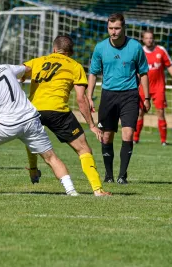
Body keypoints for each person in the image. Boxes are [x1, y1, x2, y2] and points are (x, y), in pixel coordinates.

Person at [0, 46, 79, 196]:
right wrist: (19, 80)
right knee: (51, 157)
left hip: (9, 124)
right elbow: (27, 68)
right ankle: (71, 191)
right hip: (31, 119)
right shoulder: (3, 67)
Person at [22, 35, 111, 196]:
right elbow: (80, 98)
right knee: (83, 149)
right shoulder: (75, 66)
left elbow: (18, 72)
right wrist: (91, 125)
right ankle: (98, 189)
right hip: (58, 111)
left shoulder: (37, 61)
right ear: (71, 52)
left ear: (54, 49)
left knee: (32, 138)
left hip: (32, 111)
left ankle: (33, 170)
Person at [87, 13, 150, 185]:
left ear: (123, 28)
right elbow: (93, 73)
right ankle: (109, 174)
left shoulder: (135, 47)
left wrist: (147, 97)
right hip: (108, 96)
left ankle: (122, 175)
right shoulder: (100, 48)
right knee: (106, 137)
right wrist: (89, 96)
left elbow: (144, 72)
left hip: (130, 95)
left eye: (117, 28)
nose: (113, 32)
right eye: (110, 28)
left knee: (128, 134)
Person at [133, 29, 172, 145]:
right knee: (139, 112)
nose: (149, 40)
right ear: (143, 39)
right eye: (147, 38)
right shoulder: (139, 51)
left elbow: (169, 65)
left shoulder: (161, 50)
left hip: (158, 88)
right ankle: (135, 139)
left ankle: (163, 141)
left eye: (151, 37)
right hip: (143, 88)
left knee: (160, 112)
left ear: (153, 38)